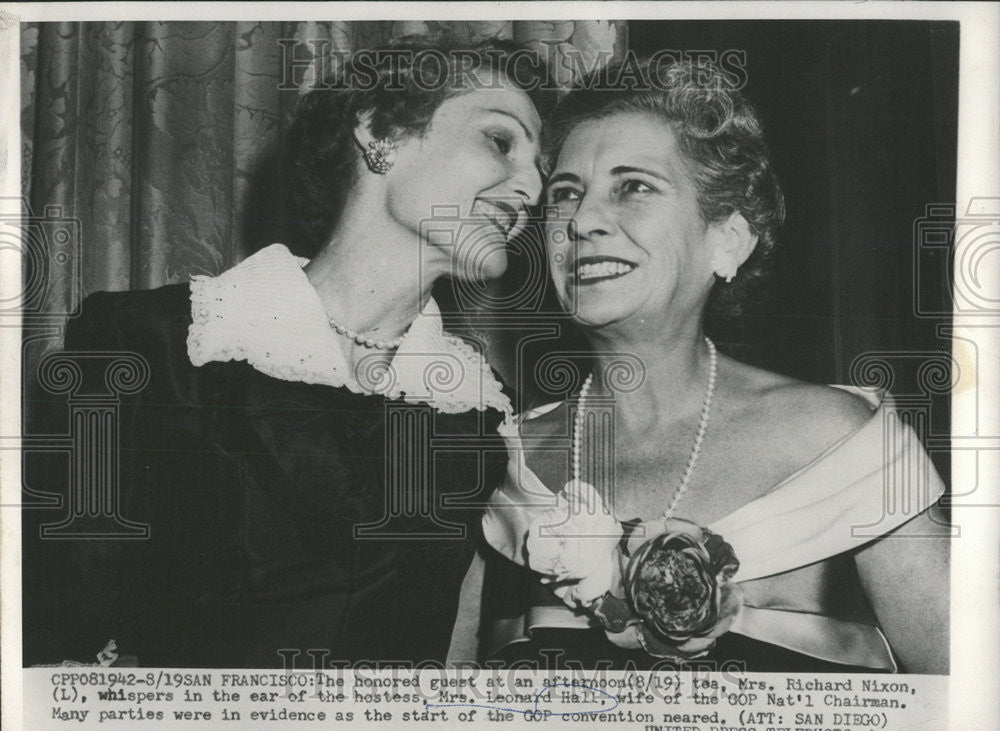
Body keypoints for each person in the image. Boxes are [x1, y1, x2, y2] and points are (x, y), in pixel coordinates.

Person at [23, 36, 549, 668]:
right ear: (380, 130)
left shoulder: (478, 402)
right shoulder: (145, 343)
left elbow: (457, 648)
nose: (531, 190)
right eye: (501, 141)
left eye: (542, 168)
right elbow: (50, 636)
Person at [471, 57, 949, 674]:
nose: (583, 221)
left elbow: (969, 706)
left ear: (726, 239)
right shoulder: (507, 461)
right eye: (566, 194)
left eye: (634, 186)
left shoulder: (840, 441)